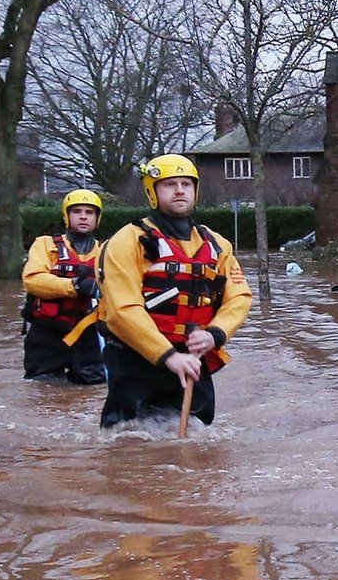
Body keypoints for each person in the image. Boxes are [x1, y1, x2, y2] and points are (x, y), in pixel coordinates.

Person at [96, 155, 252, 428]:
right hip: (137, 355)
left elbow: (238, 297)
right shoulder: (128, 241)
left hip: (193, 355)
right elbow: (123, 310)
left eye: (186, 184)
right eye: (169, 184)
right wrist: (167, 356)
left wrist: (214, 334)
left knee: (199, 434)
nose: (180, 190)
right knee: (128, 438)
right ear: (152, 192)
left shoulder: (217, 244)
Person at [21, 188, 108, 383]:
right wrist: (75, 287)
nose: (83, 217)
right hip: (47, 334)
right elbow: (32, 280)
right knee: (44, 389)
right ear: (67, 216)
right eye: (77, 212)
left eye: (89, 212)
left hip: (89, 336)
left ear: (97, 218)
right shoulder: (45, 244)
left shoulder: (106, 251)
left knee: (91, 388)